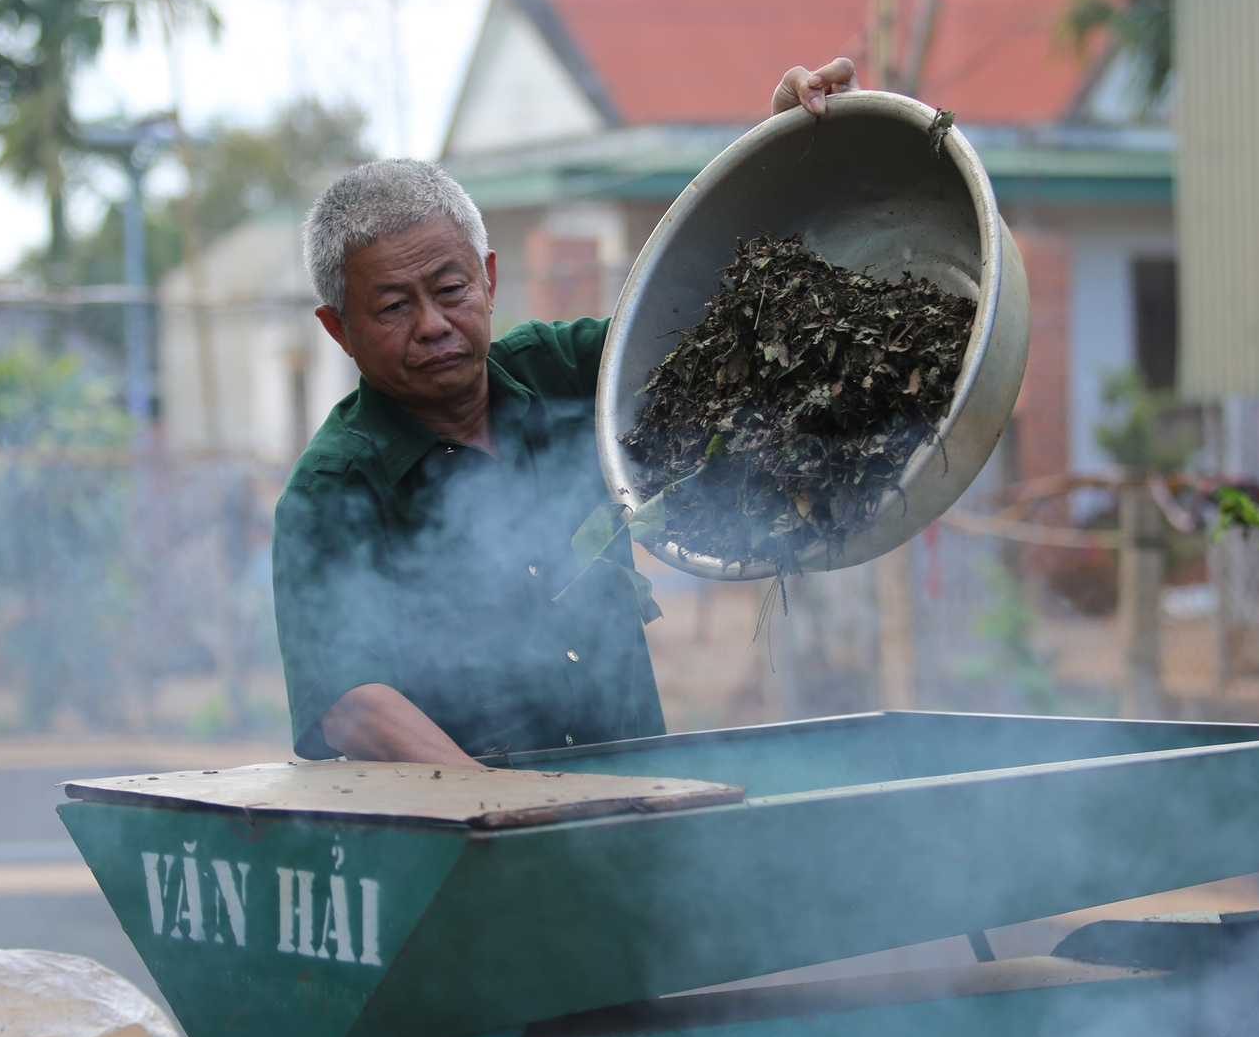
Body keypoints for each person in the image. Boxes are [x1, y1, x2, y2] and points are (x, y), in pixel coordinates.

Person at [273, 58, 858, 764]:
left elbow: (709, 321)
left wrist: (784, 153)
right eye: (394, 307)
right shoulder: (332, 491)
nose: (431, 325)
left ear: (488, 280)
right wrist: (504, 817)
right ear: (338, 329)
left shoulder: (565, 373)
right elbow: (354, 706)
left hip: (639, 804)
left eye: (449, 288)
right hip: (469, 849)